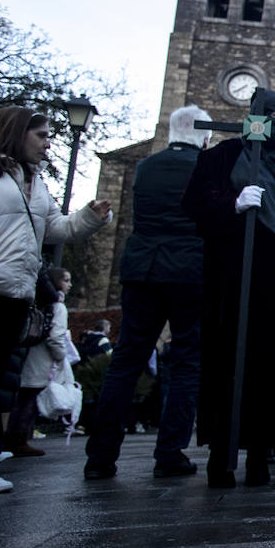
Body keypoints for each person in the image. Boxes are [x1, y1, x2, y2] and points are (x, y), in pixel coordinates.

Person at [0, 106, 111, 495]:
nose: (49, 143)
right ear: (17, 132)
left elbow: (56, 228)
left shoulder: (33, 181)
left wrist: (91, 216)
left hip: (10, 296)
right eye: (42, 135)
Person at [181, 89, 275, 488]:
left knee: (270, 369)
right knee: (227, 365)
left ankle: (262, 453)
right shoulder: (221, 157)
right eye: (269, 115)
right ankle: (220, 456)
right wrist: (231, 204)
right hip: (232, 282)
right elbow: (194, 203)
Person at [85, 105, 211, 480]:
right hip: (189, 270)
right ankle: (170, 452)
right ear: (205, 136)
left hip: (142, 269)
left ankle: (100, 456)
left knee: (126, 361)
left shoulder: (145, 167)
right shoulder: (205, 168)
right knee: (187, 360)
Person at [6, 267, 71, 456]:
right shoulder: (58, 306)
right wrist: (60, 356)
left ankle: (12, 437)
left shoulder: (36, 301)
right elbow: (56, 337)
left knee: (21, 397)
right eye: (66, 280)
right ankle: (18, 439)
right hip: (43, 360)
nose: (69, 285)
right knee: (31, 400)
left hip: (27, 356)